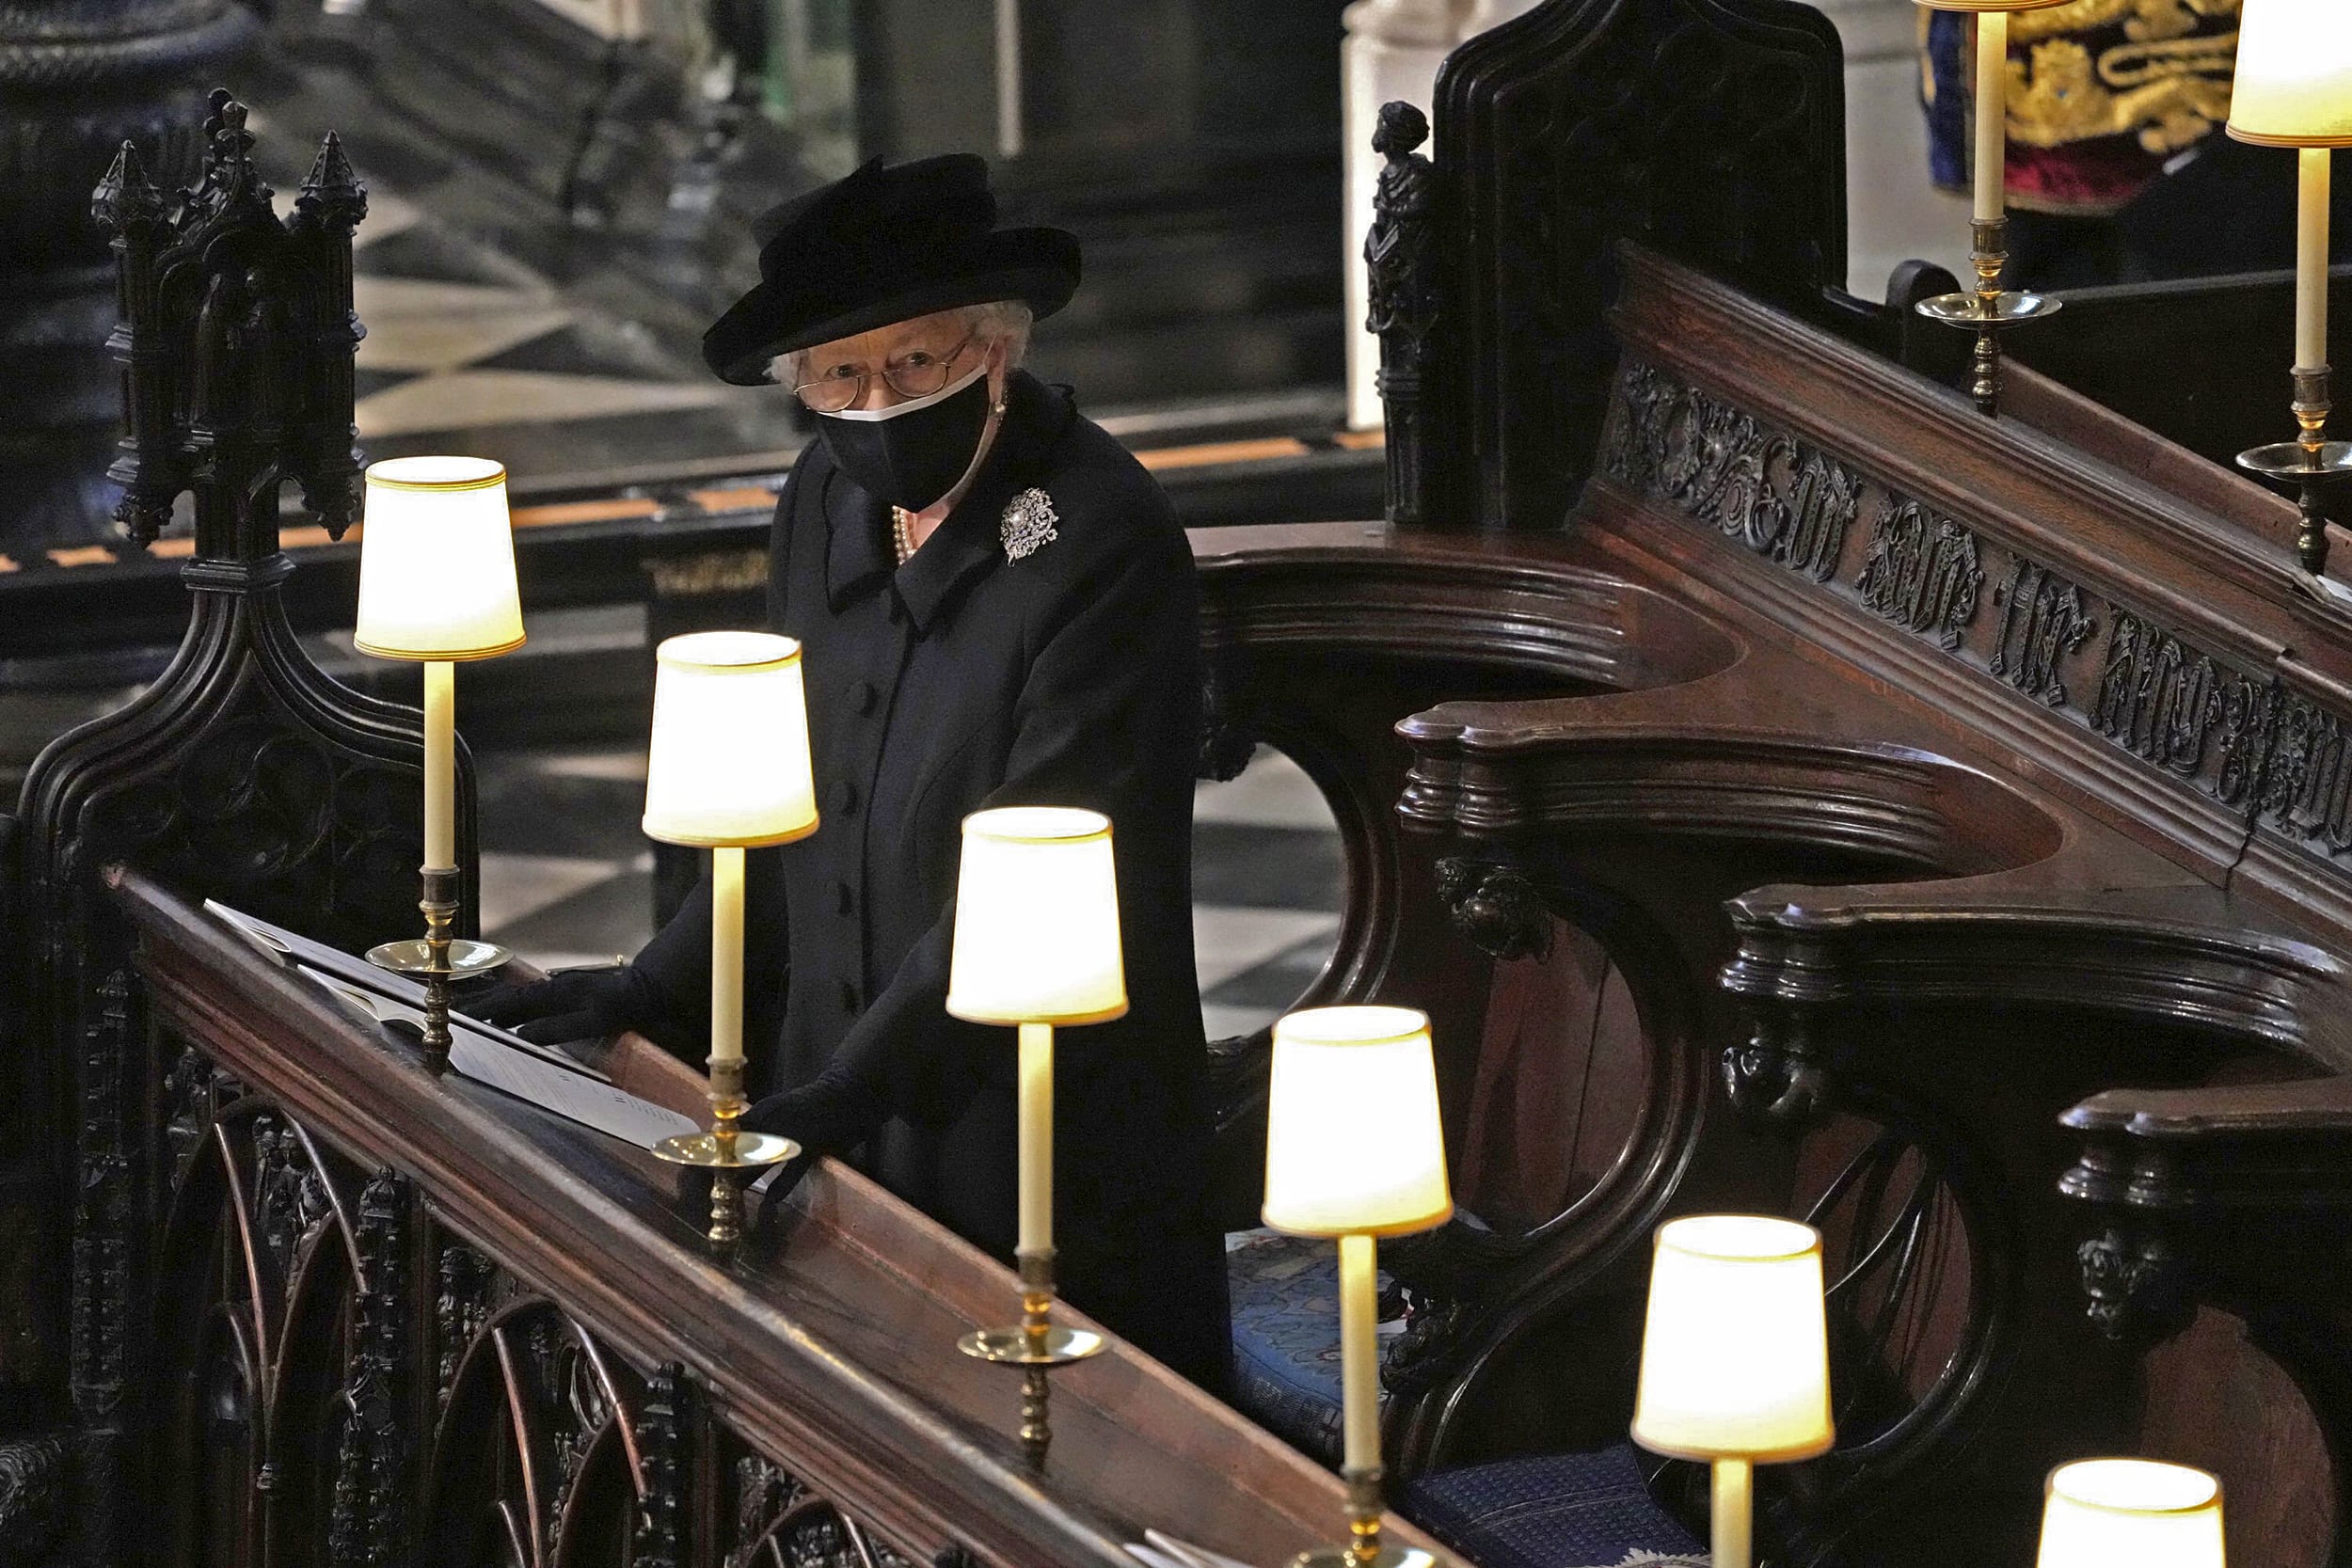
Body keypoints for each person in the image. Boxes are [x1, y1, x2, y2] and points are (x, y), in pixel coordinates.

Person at [479, 153, 1232, 1393]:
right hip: (827, 1094)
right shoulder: (823, 493)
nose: (875, 400)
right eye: (839, 374)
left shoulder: (1100, 539)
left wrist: (843, 1098)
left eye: (914, 361)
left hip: (1026, 1127)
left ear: (994, 350)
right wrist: (647, 985)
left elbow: (1038, 869)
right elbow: (789, 808)